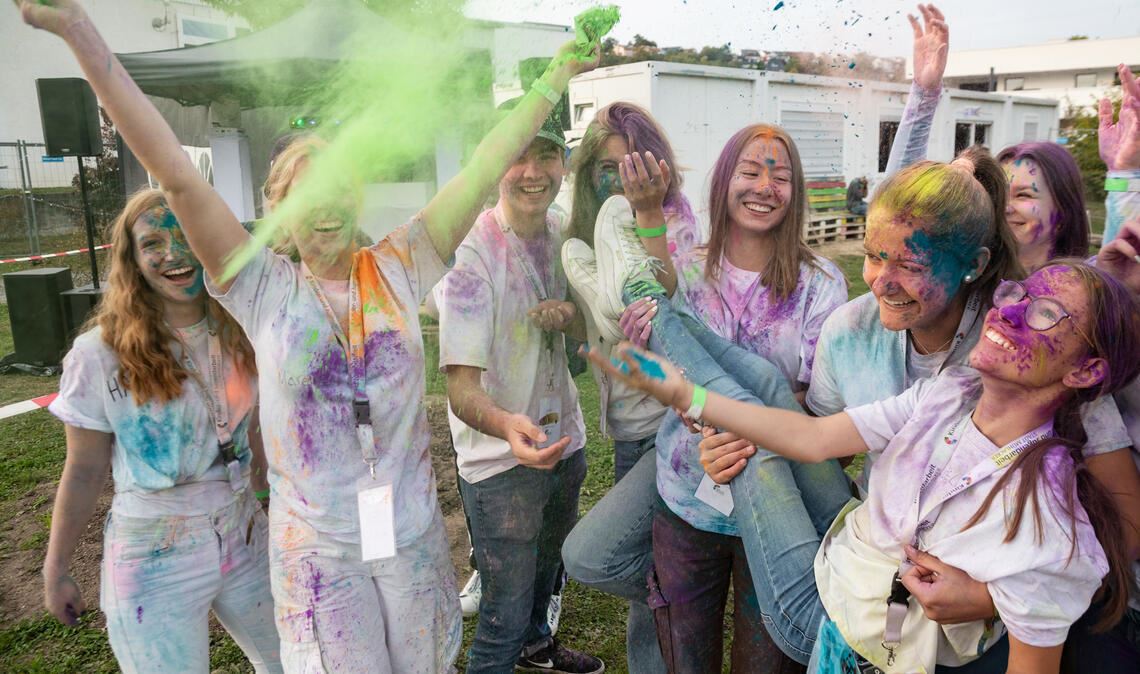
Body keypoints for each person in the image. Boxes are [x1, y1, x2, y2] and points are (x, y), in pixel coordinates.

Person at [18, 1, 601, 669]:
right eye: (302, 192)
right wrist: (79, 33)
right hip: (318, 556)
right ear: (276, 209)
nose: (322, 203)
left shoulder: (399, 263)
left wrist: (554, 79)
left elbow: (481, 169)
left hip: (408, 537)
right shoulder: (260, 285)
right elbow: (175, 174)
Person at [589, 259, 1138, 674]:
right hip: (853, 548)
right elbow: (812, 436)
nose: (1007, 310)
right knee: (766, 389)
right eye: (1015, 294)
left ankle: (644, 301)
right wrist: (686, 392)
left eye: (1044, 314)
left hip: (835, 628)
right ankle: (658, 302)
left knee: (748, 429)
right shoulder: (950, 393)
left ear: (1086, 371)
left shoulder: (1049, 529)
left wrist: (691, 397)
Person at [566, 119, 851, 672]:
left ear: (796, 194)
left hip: (773, 507)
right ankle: (672, 591)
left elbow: (819, 407)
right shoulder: (689, 268)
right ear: (723, 181)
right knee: (683, 658)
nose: (764, 187)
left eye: (781, 177)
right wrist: (651, 354)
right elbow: (661, 341)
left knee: (766, 660)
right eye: (749, 171)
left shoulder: (822, 284)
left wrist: (726, 422)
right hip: (683, 496)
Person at [42, 189, 281, 673]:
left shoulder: (243, 327)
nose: (173, 252)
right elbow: (85, 470)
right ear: (132, 259)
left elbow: (253, 427)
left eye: (185, 234)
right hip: (152, 552)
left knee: (296, 660)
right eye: (153, 242)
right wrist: (56, 567)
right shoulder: (100, 354)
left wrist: (269, 503)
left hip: (244, 530)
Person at [435, 105, 602, 673]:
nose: (532, 171)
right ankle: (512, 651)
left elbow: (592, 333)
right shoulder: (470, 254)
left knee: (548, 569)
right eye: (516, 156)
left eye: (547, 154)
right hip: (501, 461)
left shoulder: (565, 233)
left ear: (563, 163)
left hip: (565, 440)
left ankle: (539, 648)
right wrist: (509, 426)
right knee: (502, 613)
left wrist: (570, 318)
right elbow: (460, 389)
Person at [559, 101, 701, 674]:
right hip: (626, 428)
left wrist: (644, 217)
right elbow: (590, 333)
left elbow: (674, 294)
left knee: (635, 563)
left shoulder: (675, 219)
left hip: (674, 424)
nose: (619, 180)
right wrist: (566, 314)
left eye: (631, 165)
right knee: (650, 567)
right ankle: (677, 616)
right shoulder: (588, 234)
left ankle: (687, 604)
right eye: (606, 170)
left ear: (656, 165)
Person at [996, 143, 1090, 271]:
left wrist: (1120, 171)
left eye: (1023, 195)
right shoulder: (971, 280)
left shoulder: (1086, 287)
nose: (1005, 207)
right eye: (998, 193)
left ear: (1062, 210)